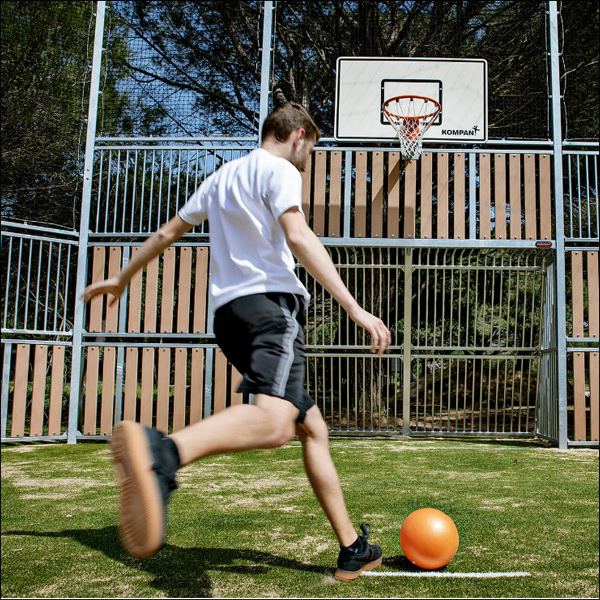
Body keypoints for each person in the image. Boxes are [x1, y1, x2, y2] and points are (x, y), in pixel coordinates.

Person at [81, 102, 391, 581]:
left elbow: (168, 231)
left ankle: (352, 547)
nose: (310, 154)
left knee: (312, 429)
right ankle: (164, 453)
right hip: (271, 310)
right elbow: (299, 235)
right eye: (312, 146)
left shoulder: (223, 176)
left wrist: (122, 279)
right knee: (274, 427)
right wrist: (355, 307)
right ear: (299, 136)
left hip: (230, 316)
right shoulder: (282, 169)